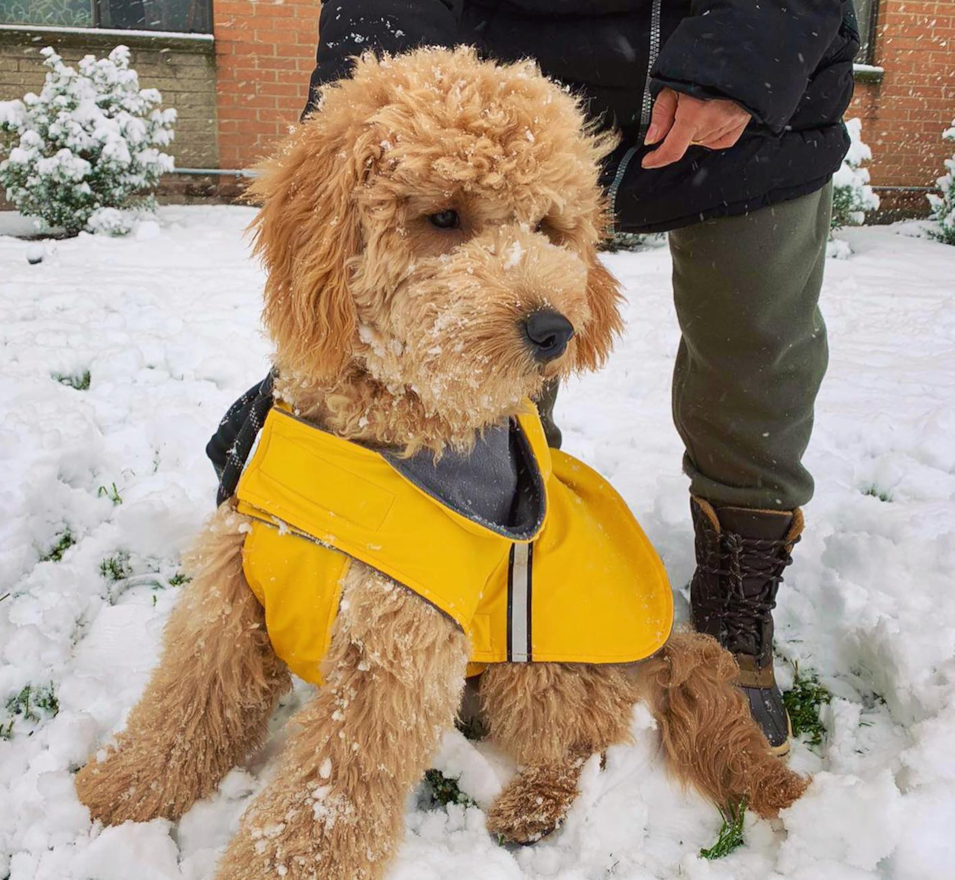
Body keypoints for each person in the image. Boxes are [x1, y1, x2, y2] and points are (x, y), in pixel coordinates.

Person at [218, 0, 857, 754]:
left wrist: (744, 50)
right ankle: (483, 577)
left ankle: (738, 582)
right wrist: (371, 106)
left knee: (754, 349)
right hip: (515, 78)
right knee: (466, 379)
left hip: (750, 101)